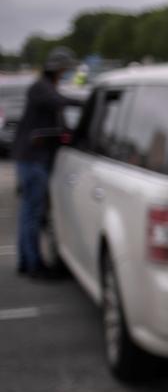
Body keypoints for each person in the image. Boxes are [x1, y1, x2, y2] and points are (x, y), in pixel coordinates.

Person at [11, 46, 84, 278]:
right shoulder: (41, 89)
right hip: (33, 159)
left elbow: (59, 122)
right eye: (65, 69)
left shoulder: (44, 87)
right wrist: (88, 102)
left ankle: (26, 261)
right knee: (32, 213)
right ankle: (34, 264)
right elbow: (60, 102)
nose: (67, 73)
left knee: (28, 213)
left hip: (32, 157)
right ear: (58, 68)